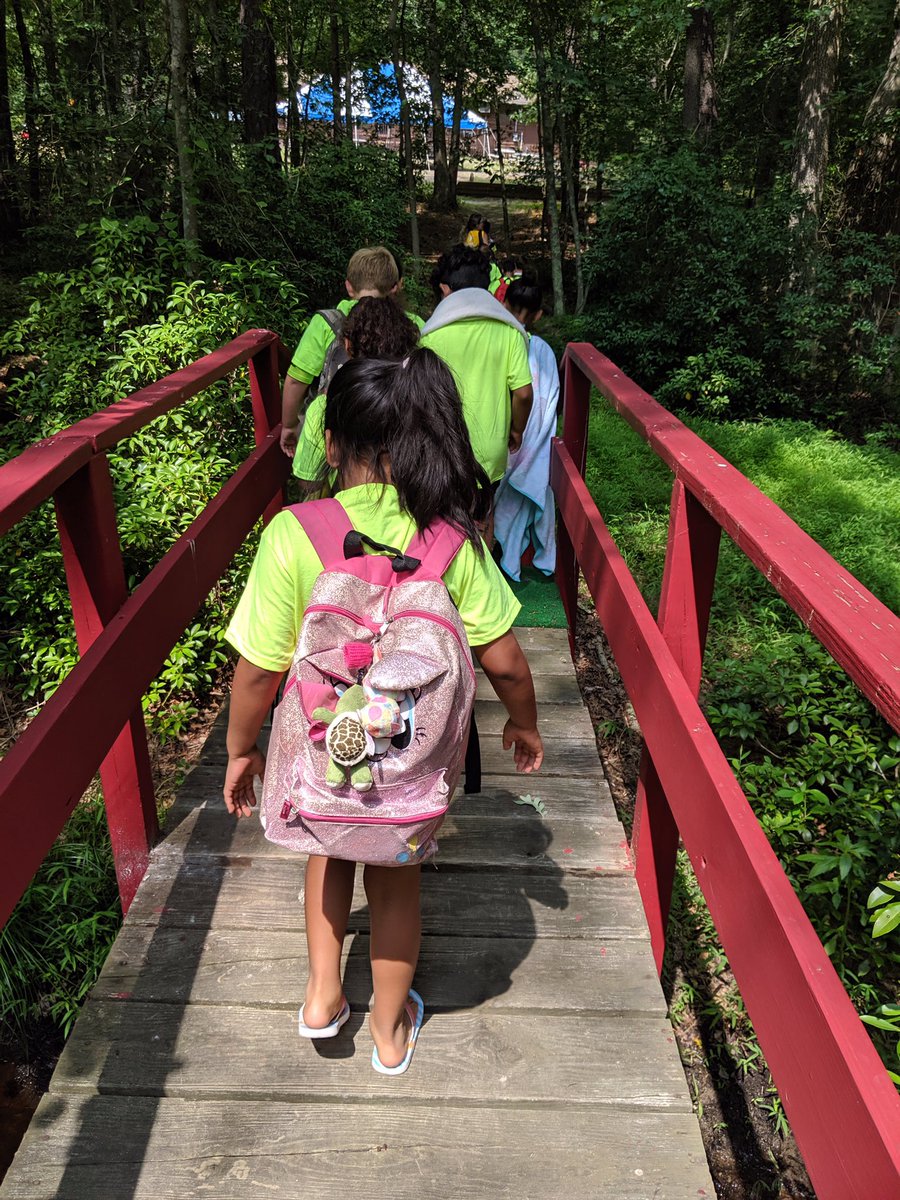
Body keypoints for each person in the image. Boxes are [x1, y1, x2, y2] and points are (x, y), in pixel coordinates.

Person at [223, 350, 544, 1074]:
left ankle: (321, 993)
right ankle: (390, 1032)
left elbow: (255, 674)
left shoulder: (293, 532)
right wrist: (523, 722)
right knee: (396, 877)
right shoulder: (450, 538)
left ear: (330, 444)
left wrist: (243, 750)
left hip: (321, 750)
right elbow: (506, 661)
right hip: (404, 766)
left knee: (328, 852)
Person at [280, 247, 424, 458]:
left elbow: (296, 380)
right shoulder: (413, 324)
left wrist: (289, 425)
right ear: (395, 286)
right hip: (394, 437)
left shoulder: (326, 323)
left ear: (349, 286)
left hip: (335, 440)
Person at [420, 246, 533, 488]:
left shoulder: (430, 336)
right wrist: (516, 430)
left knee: (446, 522)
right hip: (490, 454)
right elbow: (523, 393)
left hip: (444, 451)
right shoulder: (509, 331)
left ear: (444, 289)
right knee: (484, 518)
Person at [292, 295, 420, 492]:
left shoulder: (326, 406)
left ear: (347, 345)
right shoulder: (422, 398)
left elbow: (309, 481)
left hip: (346, 517)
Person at [494, 273, 559, 580]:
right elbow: (547, 405)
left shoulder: (496, 342)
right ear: (538, 314)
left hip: (499, 442)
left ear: (504, 303)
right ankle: (522, 560)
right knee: (530, 493)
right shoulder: (543, 351)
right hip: (529, 445)